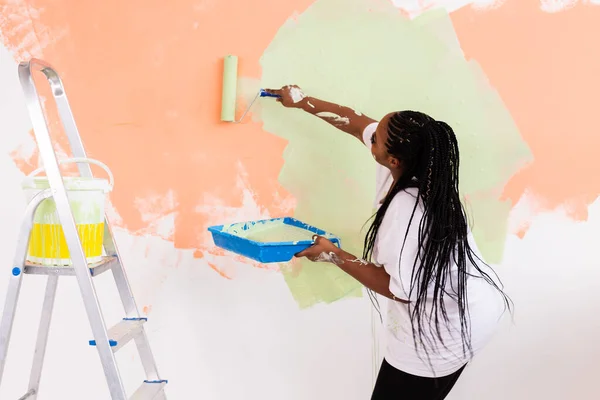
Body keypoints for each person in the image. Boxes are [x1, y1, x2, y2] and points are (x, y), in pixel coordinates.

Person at [265, 85, 512, 400]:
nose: (370, 138)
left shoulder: (408, 211)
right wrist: (303, 102)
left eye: (376, 140)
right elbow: (356, 122)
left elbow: (400, 289)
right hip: (470, 308)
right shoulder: (419, 164)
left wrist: (334, 255)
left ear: (392, 159)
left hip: (445, 331)